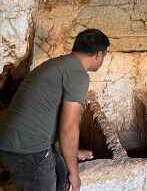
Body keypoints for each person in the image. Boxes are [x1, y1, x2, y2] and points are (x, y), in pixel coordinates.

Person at [0, 29, 110, 191]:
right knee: (66, 176)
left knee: (62, 177)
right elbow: (68, 127)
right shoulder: (77, 75)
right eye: (104, 55)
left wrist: (73, 153)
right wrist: (75, 173)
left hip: (16, 140)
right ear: (98, 55)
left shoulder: (58, 64)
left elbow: (50, 117)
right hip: (27, 150)